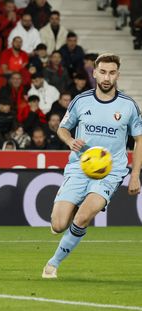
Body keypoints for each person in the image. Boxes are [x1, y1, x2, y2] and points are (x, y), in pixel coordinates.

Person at [42, 53, 142, 279]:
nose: (107, 77)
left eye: (112, 72)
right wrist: (69, 141)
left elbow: (139, 140)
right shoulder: (81, 100)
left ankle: (53, 263)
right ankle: (66, 217)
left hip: (111, 170)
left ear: (118, 75)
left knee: (84, 217)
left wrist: (135, 175)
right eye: (103, 72)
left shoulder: (128, 106)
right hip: (79, 167)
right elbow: (62, 128)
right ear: (95, 73)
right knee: (58, 225)